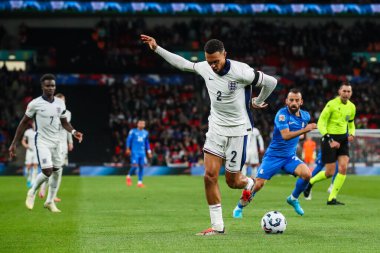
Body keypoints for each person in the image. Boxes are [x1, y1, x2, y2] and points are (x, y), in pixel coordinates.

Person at [140, 34, 277, 235]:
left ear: (225, 55)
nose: (212, 66)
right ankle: (217, 227)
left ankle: (249, 183)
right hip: (216, 129)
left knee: (233, 182)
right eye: (210, 61)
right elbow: (183, 64)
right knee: (209, 176)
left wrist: (257, 101)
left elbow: (271, 82)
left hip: (238, 131)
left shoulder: (242, 71)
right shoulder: (205, 67)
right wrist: (157, 48)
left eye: (216, 61)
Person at [232, 89, 317, 218]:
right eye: (291, 100)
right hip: (273, 157)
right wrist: (305, 130)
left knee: (307, 174)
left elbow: (299, 134)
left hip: (289, 157)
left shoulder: (305, 116)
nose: (294, 102)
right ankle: (239, 207)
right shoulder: (281, 115)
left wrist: (302, 133)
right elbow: (286, 135)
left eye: (297, 100)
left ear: (301, 102)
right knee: (258, 184)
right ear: (286, 101)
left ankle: (293, 198)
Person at [8, 74, 83, 212]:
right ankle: (32, 192)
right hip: (42, 141)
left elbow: (64, 122)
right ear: (42, 86)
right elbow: (23, 123)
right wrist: (14, 143)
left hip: (57, 142)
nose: (50, 88)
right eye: (48, 85)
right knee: (47, 171)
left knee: (57, 171)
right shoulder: (35, 104)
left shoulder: (60, 103)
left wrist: (73, 132)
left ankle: (49, 201)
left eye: (53, 85)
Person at [303, 82, 355, 205]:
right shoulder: (331, 104)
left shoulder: (352, 107)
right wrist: (330, 139)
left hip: (343, 140)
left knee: (343, 167)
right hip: (329, 138)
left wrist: (352, 133)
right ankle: (310, 183)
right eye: (344, 91)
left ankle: (332, 198)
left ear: (351, 93)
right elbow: (321, 123)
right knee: (329, 172)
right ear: (339, 92)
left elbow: (351, 123)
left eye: (348, 91)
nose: (346, 94)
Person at [39, 93, 74, 202]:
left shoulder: (68, 113)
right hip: (51, 142)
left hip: (62, 145)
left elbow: (68, 127)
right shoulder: (49, 112)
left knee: (59, 170)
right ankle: (43, 186)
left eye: (63, 101)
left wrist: (70, 141)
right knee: (49, 167)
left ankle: (53, 195)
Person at [125, 119, 152, 188]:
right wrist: (128, 148)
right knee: (134, 166)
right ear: (137, 124)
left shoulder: (145, 133)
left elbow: (147, 142)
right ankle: (128, 176)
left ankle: (139, 183)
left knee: (141, 167)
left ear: (144, 125)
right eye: (140, 123)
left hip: (142, 152)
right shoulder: (133, 131)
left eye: (143, 123)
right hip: (135, 152)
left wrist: (149, 151)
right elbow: (128, 139)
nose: (142, 125)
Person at [21, 123, 38, 188]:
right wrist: (26, 145)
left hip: (36, 151)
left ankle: (33, 181)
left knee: (35, 166)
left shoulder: (39, 131)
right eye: (34, 124)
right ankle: (29, 178)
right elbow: (23, 141)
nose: (35, 125)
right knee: (28, 167)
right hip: (29, 151)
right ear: (32, 125)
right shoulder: (28, 131)